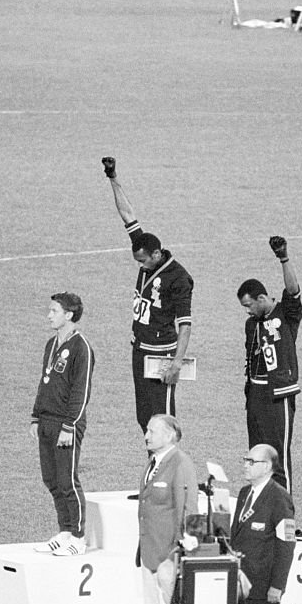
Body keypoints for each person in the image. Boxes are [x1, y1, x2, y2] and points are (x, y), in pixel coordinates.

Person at [102, 156, 194, 434]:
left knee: (163, 421)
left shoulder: (179, 278)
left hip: (161, 354)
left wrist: (177, 363)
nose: (140, 266)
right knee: (144, 419)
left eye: (143, 262)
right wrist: (113, 177)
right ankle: (156, 469)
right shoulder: (145, 248)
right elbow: (128, 215)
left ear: (156, 254)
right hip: (139, 349)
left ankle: (172, 473)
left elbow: (185, 325)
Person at [29, 292, 95, 556]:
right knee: (51, 479)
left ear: (69, 315)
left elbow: (81, 391)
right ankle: (65, 531)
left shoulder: (82, 348)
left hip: (66, 425)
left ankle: (78, 538)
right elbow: (44, 381)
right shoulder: (51, 343)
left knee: (67, 480)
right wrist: (36, 416)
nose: (49, 315)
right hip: (46, 420)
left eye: (54, 311)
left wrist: (70, 426)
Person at [237, 236, 302, 493]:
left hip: (278, 395)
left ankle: (285, 516)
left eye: (248, 305)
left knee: (278, 457)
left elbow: (293, 291)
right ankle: (263, 509)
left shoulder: (286, 315)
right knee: (257, 454)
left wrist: (283, 258)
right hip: (255, 395)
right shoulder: (251, 324)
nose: (247, 311)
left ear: (261, 297)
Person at [134, 414, 198, 604]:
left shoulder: (181, 463)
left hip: (169, 555)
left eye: (152, 431)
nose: (146, 435)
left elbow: (189, 508)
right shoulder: (153, 462)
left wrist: (181, 550)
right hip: (149, 551)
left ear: (170, 435)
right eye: (147, 431)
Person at [229, 444, 296, 604]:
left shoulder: (279, 498)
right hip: (240, 584)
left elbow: (286, 545)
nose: (245, 466)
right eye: (245, 460)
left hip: (262, 585)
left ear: (266, 466)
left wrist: (277, 586)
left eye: (251, 462)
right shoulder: (245, 493)